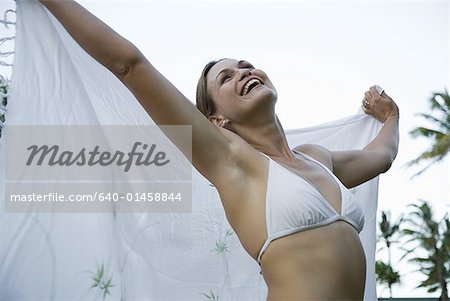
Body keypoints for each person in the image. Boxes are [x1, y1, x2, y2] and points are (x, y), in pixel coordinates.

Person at [39, 1, 400, 300]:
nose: (243, 71)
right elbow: (130, 66)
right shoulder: (229, 160)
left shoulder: (317, 158)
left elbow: (380, 158)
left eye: (244, 65)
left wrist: (391, 117)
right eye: (226, 78)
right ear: (217, 120)